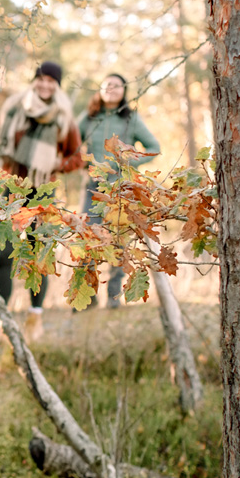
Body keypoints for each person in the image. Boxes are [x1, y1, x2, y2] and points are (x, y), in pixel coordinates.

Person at [0, 61, 83, 340]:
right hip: (11, 189)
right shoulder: (15, 107)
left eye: (51, 80)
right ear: (34, 80)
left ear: (57, 85)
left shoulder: (63, 116)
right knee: (4, 254)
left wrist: (55, 163)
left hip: (42, 193)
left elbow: (77, 157)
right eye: (41, 78)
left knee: (39, 254)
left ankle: (34, 320)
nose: (44, 84)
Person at [78, 73, 160, 308]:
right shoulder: (89, 117)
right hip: (93, 188)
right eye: (106, 85)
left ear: (124, 91)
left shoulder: (131, 119)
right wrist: (82, 160)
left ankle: (114, 300)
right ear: (100, 90)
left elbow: (154, 148)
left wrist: (126, 162)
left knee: (119, 242)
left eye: (116, 86)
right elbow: (70, 140)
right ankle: (88, 297)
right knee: (87, 238)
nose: (111, 89)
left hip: (122, 188)